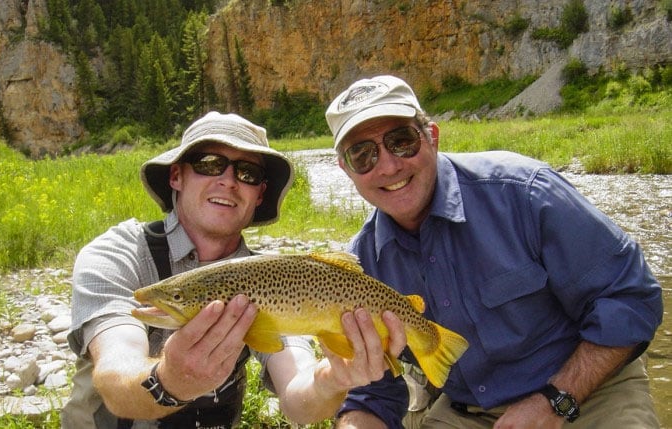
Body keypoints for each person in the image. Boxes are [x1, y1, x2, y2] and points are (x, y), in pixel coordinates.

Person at [324, 75, 663, 429]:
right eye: (363, 155)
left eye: (402, 142)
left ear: (432, 138)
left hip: (587, 392)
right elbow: (372, 394)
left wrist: (556, 401)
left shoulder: (525, 193)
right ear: (346, 170)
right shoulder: (362, 264)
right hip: (466, 413)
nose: (389, 166)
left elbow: (631, 296)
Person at [61, 111, 407, 429]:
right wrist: (170, 380)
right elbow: (114, 377)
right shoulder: (118, 253)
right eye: (210, 164)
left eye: (247, 173)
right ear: (176, 176)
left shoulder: (274, 280)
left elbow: (299, 402)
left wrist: (331, 380)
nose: (228, 180)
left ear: (259, 195)